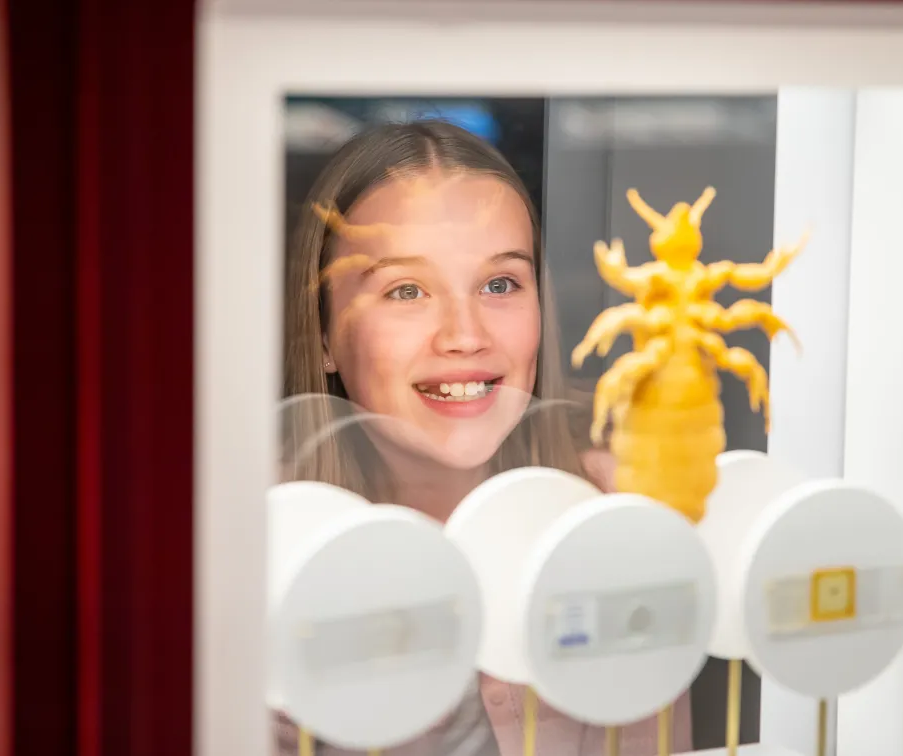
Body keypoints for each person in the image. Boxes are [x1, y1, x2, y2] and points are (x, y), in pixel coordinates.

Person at [277, 120, 693, 756]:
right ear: (325, 334)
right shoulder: (255, 551)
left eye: (500, 284)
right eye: (406, 290)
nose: (465, 335)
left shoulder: (615, 513)